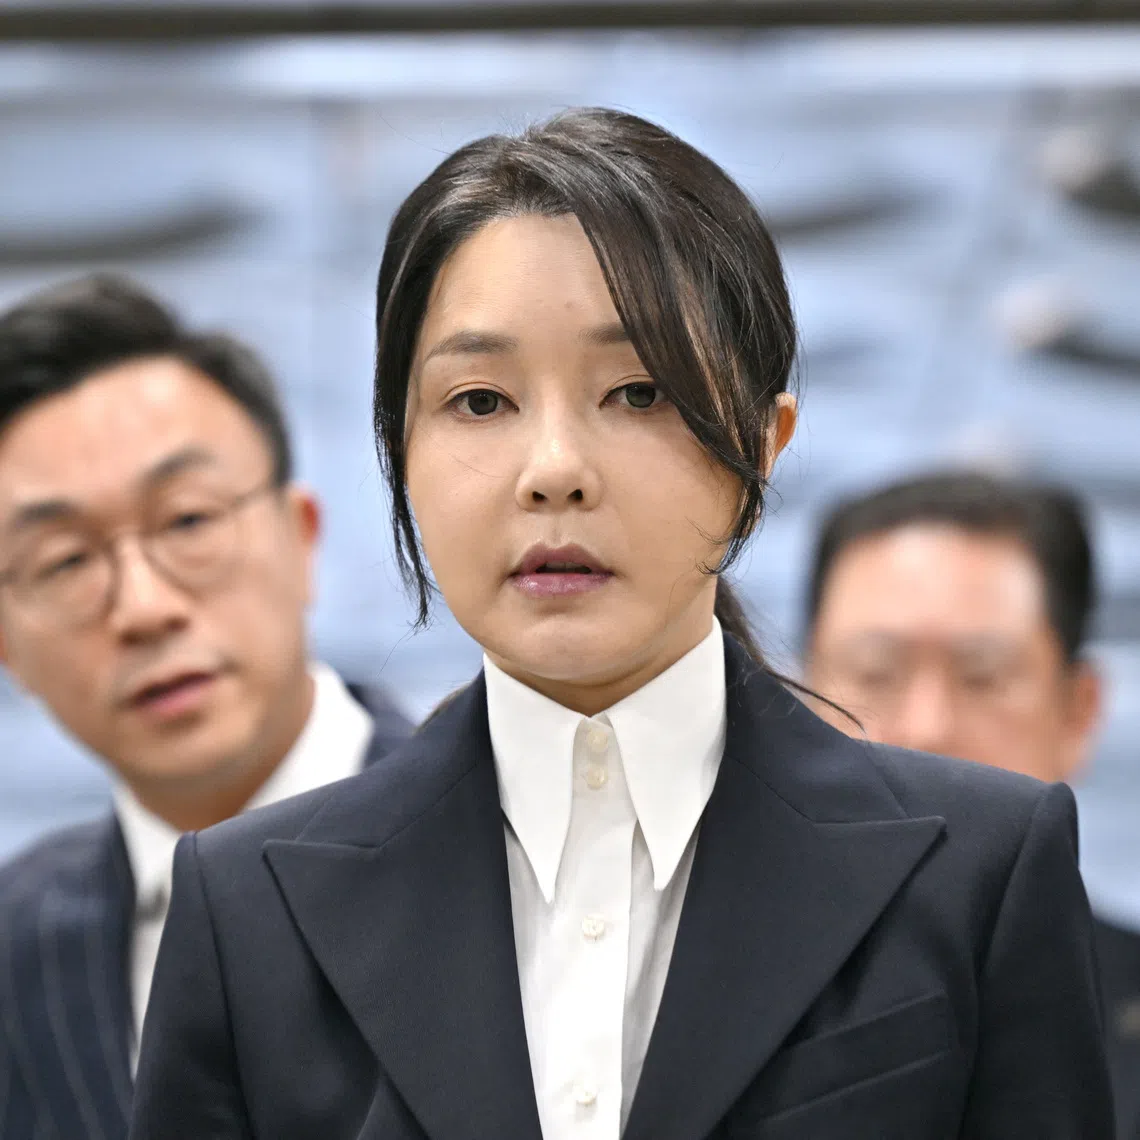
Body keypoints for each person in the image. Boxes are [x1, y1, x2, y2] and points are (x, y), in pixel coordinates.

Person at [131, 109, 1112, 1139]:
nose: (555, 470)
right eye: (479, 401)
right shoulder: (250, 911)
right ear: (399, 454)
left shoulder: (978, 871)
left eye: (639, 393)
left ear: (763, 444)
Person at [0, 274, 411, 1140]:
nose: (144, 608)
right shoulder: (14, 951)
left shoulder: (513, 843)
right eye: (64, 562)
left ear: (301, 538)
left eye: (188, 521)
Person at [802, 469, 1138, 1138]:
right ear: (799, 699)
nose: (927, 729)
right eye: (876, 673)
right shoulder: (696, 978)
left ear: (1078, 713)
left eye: (983, 676)